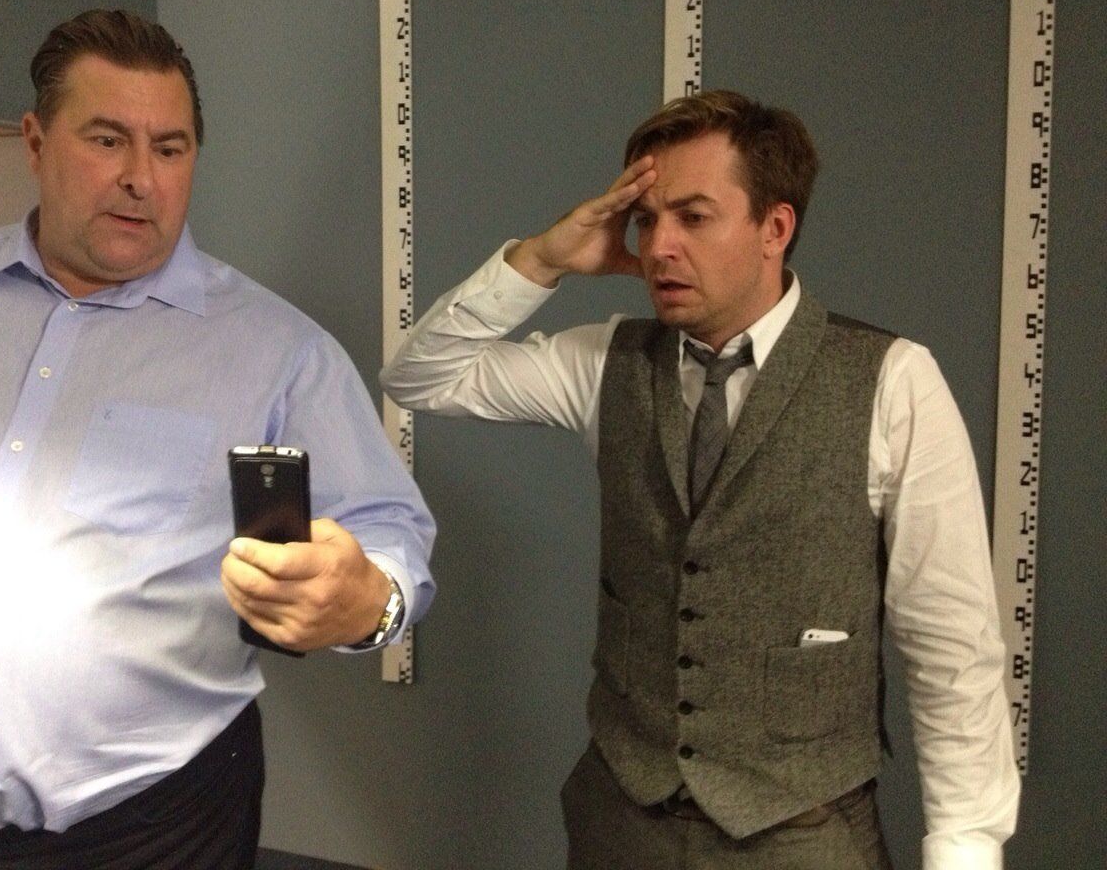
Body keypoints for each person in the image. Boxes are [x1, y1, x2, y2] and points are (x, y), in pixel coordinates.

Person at [0, 9, 434, 870]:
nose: (141, 179)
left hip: (141, 834)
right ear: (34, 141)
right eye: (107, 140)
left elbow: (391, 539)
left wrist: (370, 603)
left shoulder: (279, 353)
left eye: (170, 148)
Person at [380, 90, 1018, 870]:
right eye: (647, 221)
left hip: (801, 831)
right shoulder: (607, 361)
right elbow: (420, 378)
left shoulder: (892, 380)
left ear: (774, 228)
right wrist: (542, 259)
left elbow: (951, 641)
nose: (659, 248)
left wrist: (965, 848)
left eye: (693, 217)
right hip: (621, 819)